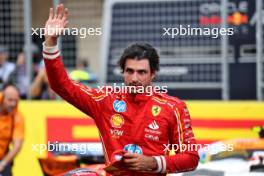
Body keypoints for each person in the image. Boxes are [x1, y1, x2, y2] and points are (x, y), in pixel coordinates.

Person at [43, 4, 199, 175]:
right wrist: (51, 43)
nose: (134, 78)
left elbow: (191, 158)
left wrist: (153, 162)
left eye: (142, 72)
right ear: (123, 72)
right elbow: (62, 85)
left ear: (153, 74)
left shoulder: (173, 108)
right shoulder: (105, 100)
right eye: (130, 71)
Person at [0, 84, 24, 176]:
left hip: (3, 159)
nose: (13, 104)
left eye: (16, 100)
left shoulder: (17, 117)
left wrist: (3, 163)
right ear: (2, 98)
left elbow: (17, 146)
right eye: (10, 100)